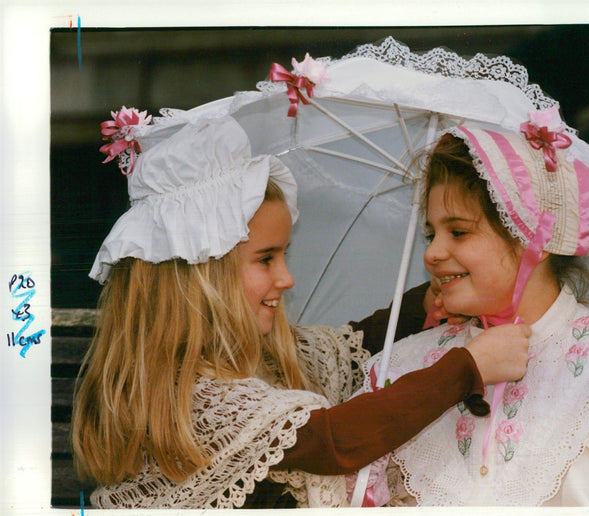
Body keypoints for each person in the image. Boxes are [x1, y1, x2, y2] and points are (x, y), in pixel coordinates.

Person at [71, 110, 532, 509]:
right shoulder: (190, 396)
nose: (287, 278)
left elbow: (355, 343)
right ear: (197, 279)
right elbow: (334, 440)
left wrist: (424, 303)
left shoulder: (259, 356)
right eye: (267, 259)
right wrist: (466, 367)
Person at [359, 121, 589, 506]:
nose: (432, 253)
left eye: (457, 232)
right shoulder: (403, 369)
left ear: (533, 239)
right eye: (430, 234)